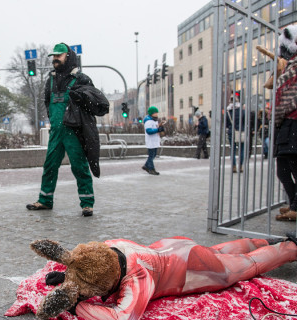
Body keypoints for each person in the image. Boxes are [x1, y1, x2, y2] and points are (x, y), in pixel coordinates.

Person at [23, 235, 297, 320]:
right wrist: (70, 276)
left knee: (244, 265)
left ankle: (290, 247)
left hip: (195, 269)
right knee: (221, 251)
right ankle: (261, 239)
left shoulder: (139, 277)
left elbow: (122, 317)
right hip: (176, 247)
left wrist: (76, 304)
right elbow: (90, 263)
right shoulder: (112, 245)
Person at [26, 43, 108, 217]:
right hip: (56, 131)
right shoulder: (51, 80)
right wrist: (54, 119)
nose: (55, 58)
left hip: (73, 132)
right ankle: (45, 200)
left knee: (79, 167)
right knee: (49, 166)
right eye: (54, 56)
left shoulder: (81, 78)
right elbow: (47, 101)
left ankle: (87, 203)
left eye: (59, 55)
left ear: (68, 57)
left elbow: (93, 101)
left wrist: (81, 99)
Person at [267, 25, 297, 221]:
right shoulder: (289, 67)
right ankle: (294, 201)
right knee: (283, 169)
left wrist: (275, 114)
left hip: (293, 123)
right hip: (286, 124)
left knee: (293, 166)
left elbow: (285, 98)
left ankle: (296, 205)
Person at [142, 106, 165, 175]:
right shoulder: (148, 121)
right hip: (151, 141)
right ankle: (151, 169)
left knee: (153, 155)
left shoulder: (154, 120)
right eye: (155, 113)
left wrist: (160, 127)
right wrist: (158, 130)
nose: (157, 114)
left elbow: (155, 128)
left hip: (154, 140)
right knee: (151, 155)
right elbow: (149, 131)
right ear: (152, 113)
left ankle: (146, 166)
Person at [226, 95, 245, 173]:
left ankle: (234, 166)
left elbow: (227, 124)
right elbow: (245, 122)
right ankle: (240, 166)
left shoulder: (228, 112)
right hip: (241, 132)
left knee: (232, 150)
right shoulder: (242, 111)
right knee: (242, 150)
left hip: (232, 132)